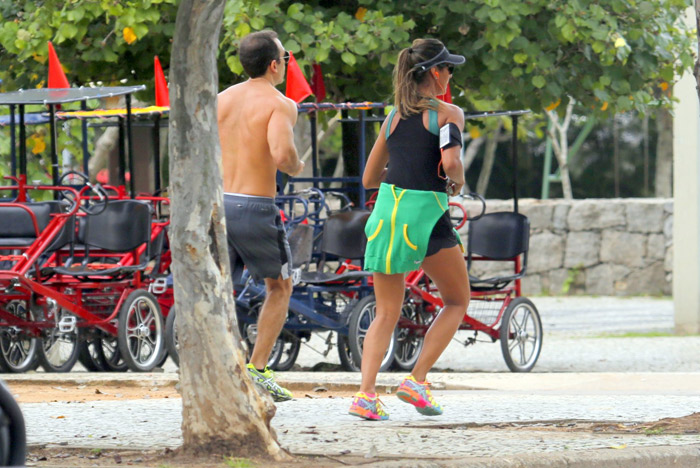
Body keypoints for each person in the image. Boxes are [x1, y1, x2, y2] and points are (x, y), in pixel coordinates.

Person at [348, 38, 470, 420]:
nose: (450, 74)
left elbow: (369, 178)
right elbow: (450, 164)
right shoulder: (449, 114)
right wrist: (458, 184)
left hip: (387, 216)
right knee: (456, 300)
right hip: (427, 216)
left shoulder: (393, 118)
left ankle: (365, 396)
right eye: (448, 68)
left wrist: (401, 172)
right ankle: (416, 381)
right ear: (435, 72)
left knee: (385, 311)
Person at [217, 30, 304, 402]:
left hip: (218, 201)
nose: (286, 63)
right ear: (273, 64)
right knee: (279, 286)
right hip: (255, 206)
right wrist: (297, 166)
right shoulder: (279, 103)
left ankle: (223, 368)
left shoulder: (220, 99)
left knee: (221, 287)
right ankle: (257, 369)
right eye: (285, 57)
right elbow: (283, 155)